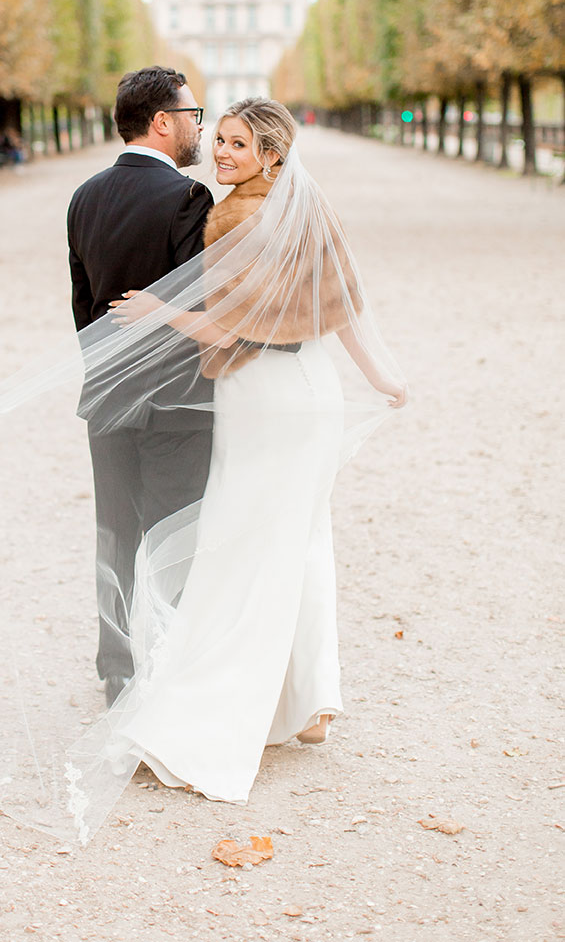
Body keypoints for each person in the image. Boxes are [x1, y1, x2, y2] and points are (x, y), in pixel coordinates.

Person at [100, 98, 407, 802]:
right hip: (312, 391)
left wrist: (160, 311)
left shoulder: (236, 217)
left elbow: (231, 335)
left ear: (271, 154)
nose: (222, 155)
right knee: (300, 541)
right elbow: (344, 307)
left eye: (237, 145)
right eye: (220, 141)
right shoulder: (308, 211)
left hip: (262, 396)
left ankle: (208, 725)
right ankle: (307, 704)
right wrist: (379, 376)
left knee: (239, 551)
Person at [66, 66, 214, 706]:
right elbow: (197, 303)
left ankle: (116, 668)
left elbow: (83, 307)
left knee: (115, 532)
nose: (199, 127)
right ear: (163, 121)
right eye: (193, 114)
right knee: (180, 536)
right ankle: (177, 662)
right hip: (177, 399)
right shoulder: (188, 198)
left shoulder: (84, 196)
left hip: (105, 393)